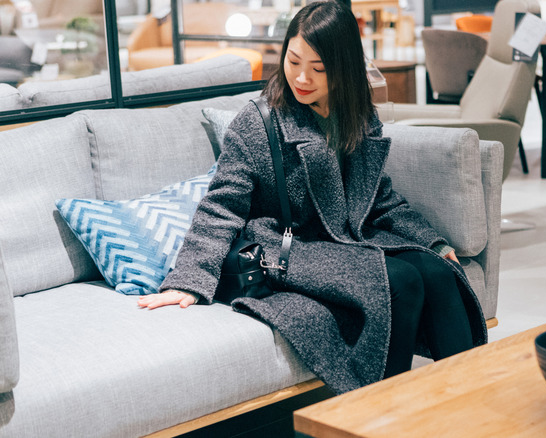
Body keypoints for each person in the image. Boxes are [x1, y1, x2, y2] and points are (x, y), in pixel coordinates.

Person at [138, 0, 486, 394]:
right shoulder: (258, 121)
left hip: (346, 240)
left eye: (319, 69)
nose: (302, 78)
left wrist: (431, 241)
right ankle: (377, 415)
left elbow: (379, 196)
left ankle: (472, 402)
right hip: (289, 247)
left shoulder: (355, 112)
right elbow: (221, 206)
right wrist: (188, 280)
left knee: (439, 273)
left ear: (344, 67)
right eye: (293, 61)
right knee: (400, 281)